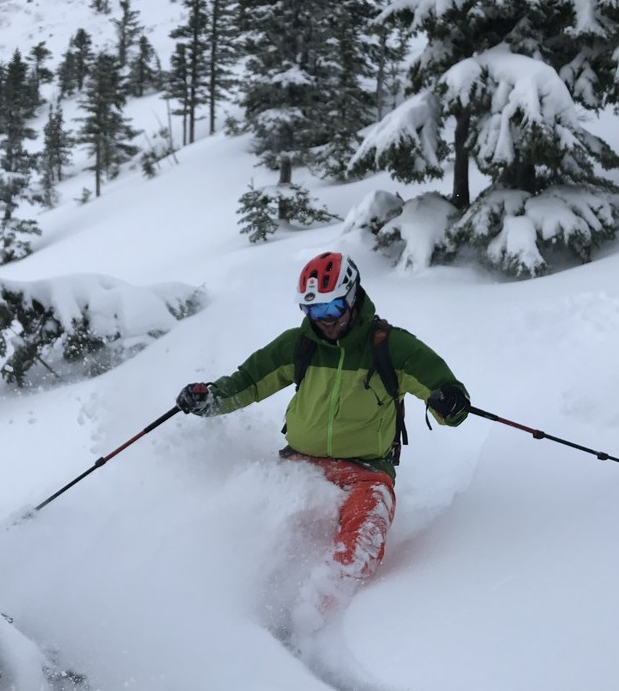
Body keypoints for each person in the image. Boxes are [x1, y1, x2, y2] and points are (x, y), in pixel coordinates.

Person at [176, 251, 470, 621]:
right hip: (300, 465)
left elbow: (445, 393)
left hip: (366, 473)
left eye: (331, 310)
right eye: (314, 312)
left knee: (362, 537)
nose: (324, 322)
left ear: (351, 297)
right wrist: (210, 399)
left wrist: (450, 401)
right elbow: (247, 383)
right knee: (270, 532)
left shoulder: (391, 347)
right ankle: (236, 609)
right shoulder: (298, 344)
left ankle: (314, 622)